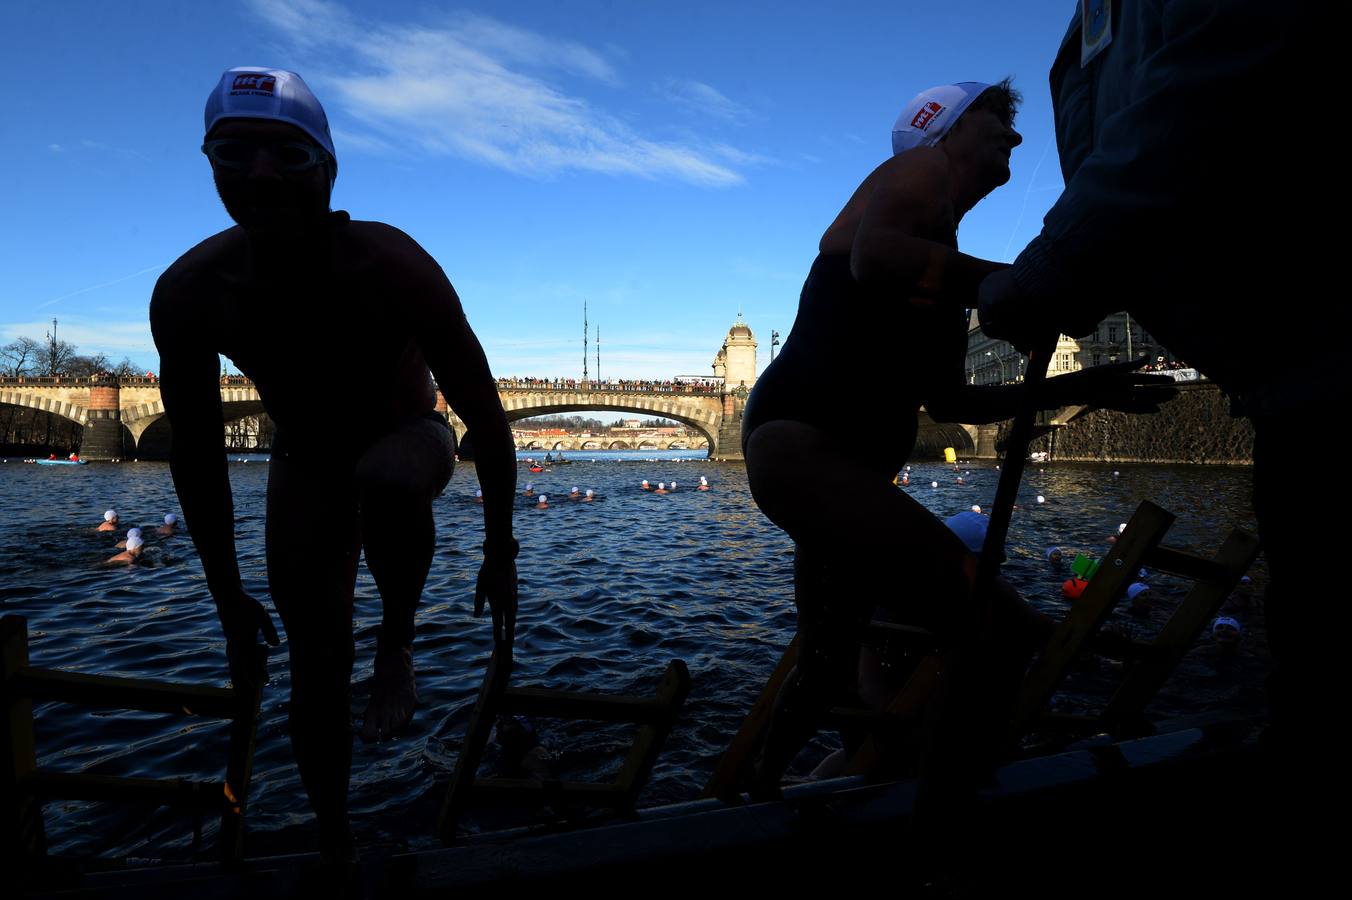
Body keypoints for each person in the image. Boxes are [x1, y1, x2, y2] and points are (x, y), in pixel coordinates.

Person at [739, 80, 1172, 799]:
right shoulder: (917, 171)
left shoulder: (940, 251)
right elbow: (873, 257)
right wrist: (1025, 281)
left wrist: (1079, 388)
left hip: (833, 467)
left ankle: (755, 799)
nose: (1015, 135)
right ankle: (951, 823)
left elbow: (954, 399)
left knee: (827, 657)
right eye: (997, 119)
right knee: (994, 628)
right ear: (945, 126)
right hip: (806, 448)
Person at [150, 67, 518, 863]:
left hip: (411, 432)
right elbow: (200, 458)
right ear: (209, 163)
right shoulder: (190, 291)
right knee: (314, 671)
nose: (259, 173)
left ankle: (397, 644)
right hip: (306, 459)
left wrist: (501, 549)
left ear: (327, 168)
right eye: (234, 152)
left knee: (385, 477)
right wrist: (226, 599)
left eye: (286, 153)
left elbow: (486, 419)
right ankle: (333, 838)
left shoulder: (391, 265)